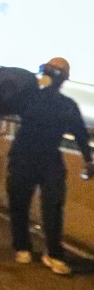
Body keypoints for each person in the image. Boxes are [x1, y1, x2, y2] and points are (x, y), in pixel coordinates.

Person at [7, 57, 94, 275]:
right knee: (38, 206)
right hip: (40, 158)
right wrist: (88, 160)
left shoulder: (29, 98)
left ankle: (38, 250)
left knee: (40, 206)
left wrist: (89, 159)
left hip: (31, 157)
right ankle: (35, 249)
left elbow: (81, 136)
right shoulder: (64, 104)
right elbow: (81, 136)